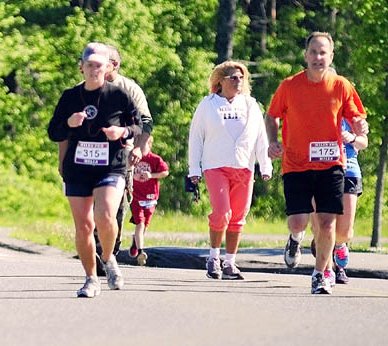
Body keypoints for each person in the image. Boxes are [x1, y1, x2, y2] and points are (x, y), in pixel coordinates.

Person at [265, 32, 368, 294]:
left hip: (331, 164)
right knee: (298, 222)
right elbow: (272, 116)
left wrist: (359, 128)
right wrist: (273, 141)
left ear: (331, 56)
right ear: (306, 55)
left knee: (326, 223)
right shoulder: (289, 86)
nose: (318, 57)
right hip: (296, 164)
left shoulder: (342, 85)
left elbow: (357, 117)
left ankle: (321, 273)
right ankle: (295, 238)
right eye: (313, 52)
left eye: (323, 53)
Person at [48, 42, 141, 298]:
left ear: (108, 67)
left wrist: (122, 132)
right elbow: (53, 131)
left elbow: (139, 127)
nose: (93, 70)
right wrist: (69, 122)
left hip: (111, 165)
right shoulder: (70, 97)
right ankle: (91, 279)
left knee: (106, 214)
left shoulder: (119, 95)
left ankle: (109, 257)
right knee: (84, 226)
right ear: (81, 67)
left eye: (98, 66)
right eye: (89, 65)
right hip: (78, 168)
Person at [188, 60, 272, 280]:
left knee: (237, 216)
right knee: (221, 213)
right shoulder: (208, 104)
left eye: (241, 78)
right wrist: (193, 168)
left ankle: (230, 262)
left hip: (243, 166)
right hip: (215, 166)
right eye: (233, 77)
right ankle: (213, 257)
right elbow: (196, 137)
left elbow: (260, 137)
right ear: (221, 81)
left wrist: (265, 165)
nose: (238, 81)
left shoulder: (250, 105)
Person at [87, 44, 154, 269]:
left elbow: (146, 122)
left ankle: (109, 252)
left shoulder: (129, 89)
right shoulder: (87, 87)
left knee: (116, 207)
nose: (95, 67)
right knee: (93, 205)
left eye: (101, 62)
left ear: (113, 65)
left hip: (121, 156)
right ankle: (96, 251)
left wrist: (139, 148)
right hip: (90, 156)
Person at [309, 117, 368, 284]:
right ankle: (327, 272)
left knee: (344, 232)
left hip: (348, 170)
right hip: (319, 169)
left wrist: (353, 138)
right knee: (323, 227)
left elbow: (364, 142)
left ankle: (340, 244)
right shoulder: (313, 107)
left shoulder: (350, 112)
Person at [129, 135, 169, 265]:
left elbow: (165, 172)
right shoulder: (133, 158)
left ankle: (136, 242)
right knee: (140, 223)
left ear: (150, 145)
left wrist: (151, 175)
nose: (142, 147)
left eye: (145, 144)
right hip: (136, 197)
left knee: (145, 225)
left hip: (151, 197)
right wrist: (133, 176)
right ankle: (141, 251)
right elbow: (125, 170)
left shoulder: (155, 159)